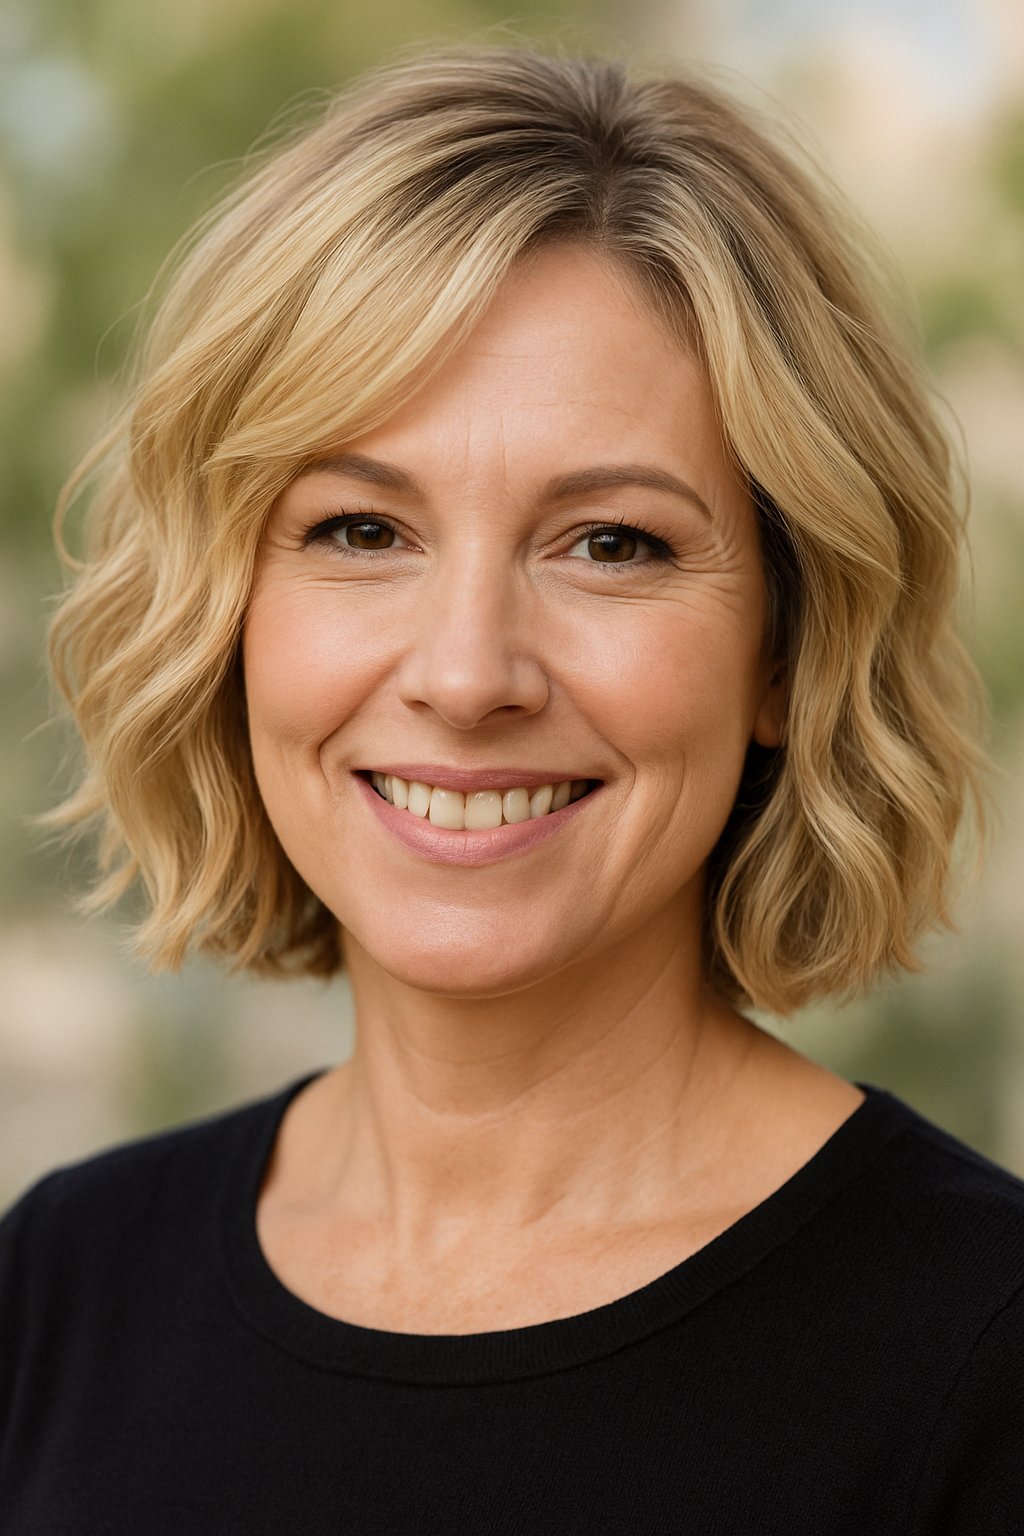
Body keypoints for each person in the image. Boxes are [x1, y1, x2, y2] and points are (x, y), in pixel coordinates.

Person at [1, 43, 1022, 1534]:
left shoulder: (985, 1356)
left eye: (612, 543)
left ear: (789, 649)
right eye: (361, 530)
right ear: (227, 613)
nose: (469, 673)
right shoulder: (60, 1290)